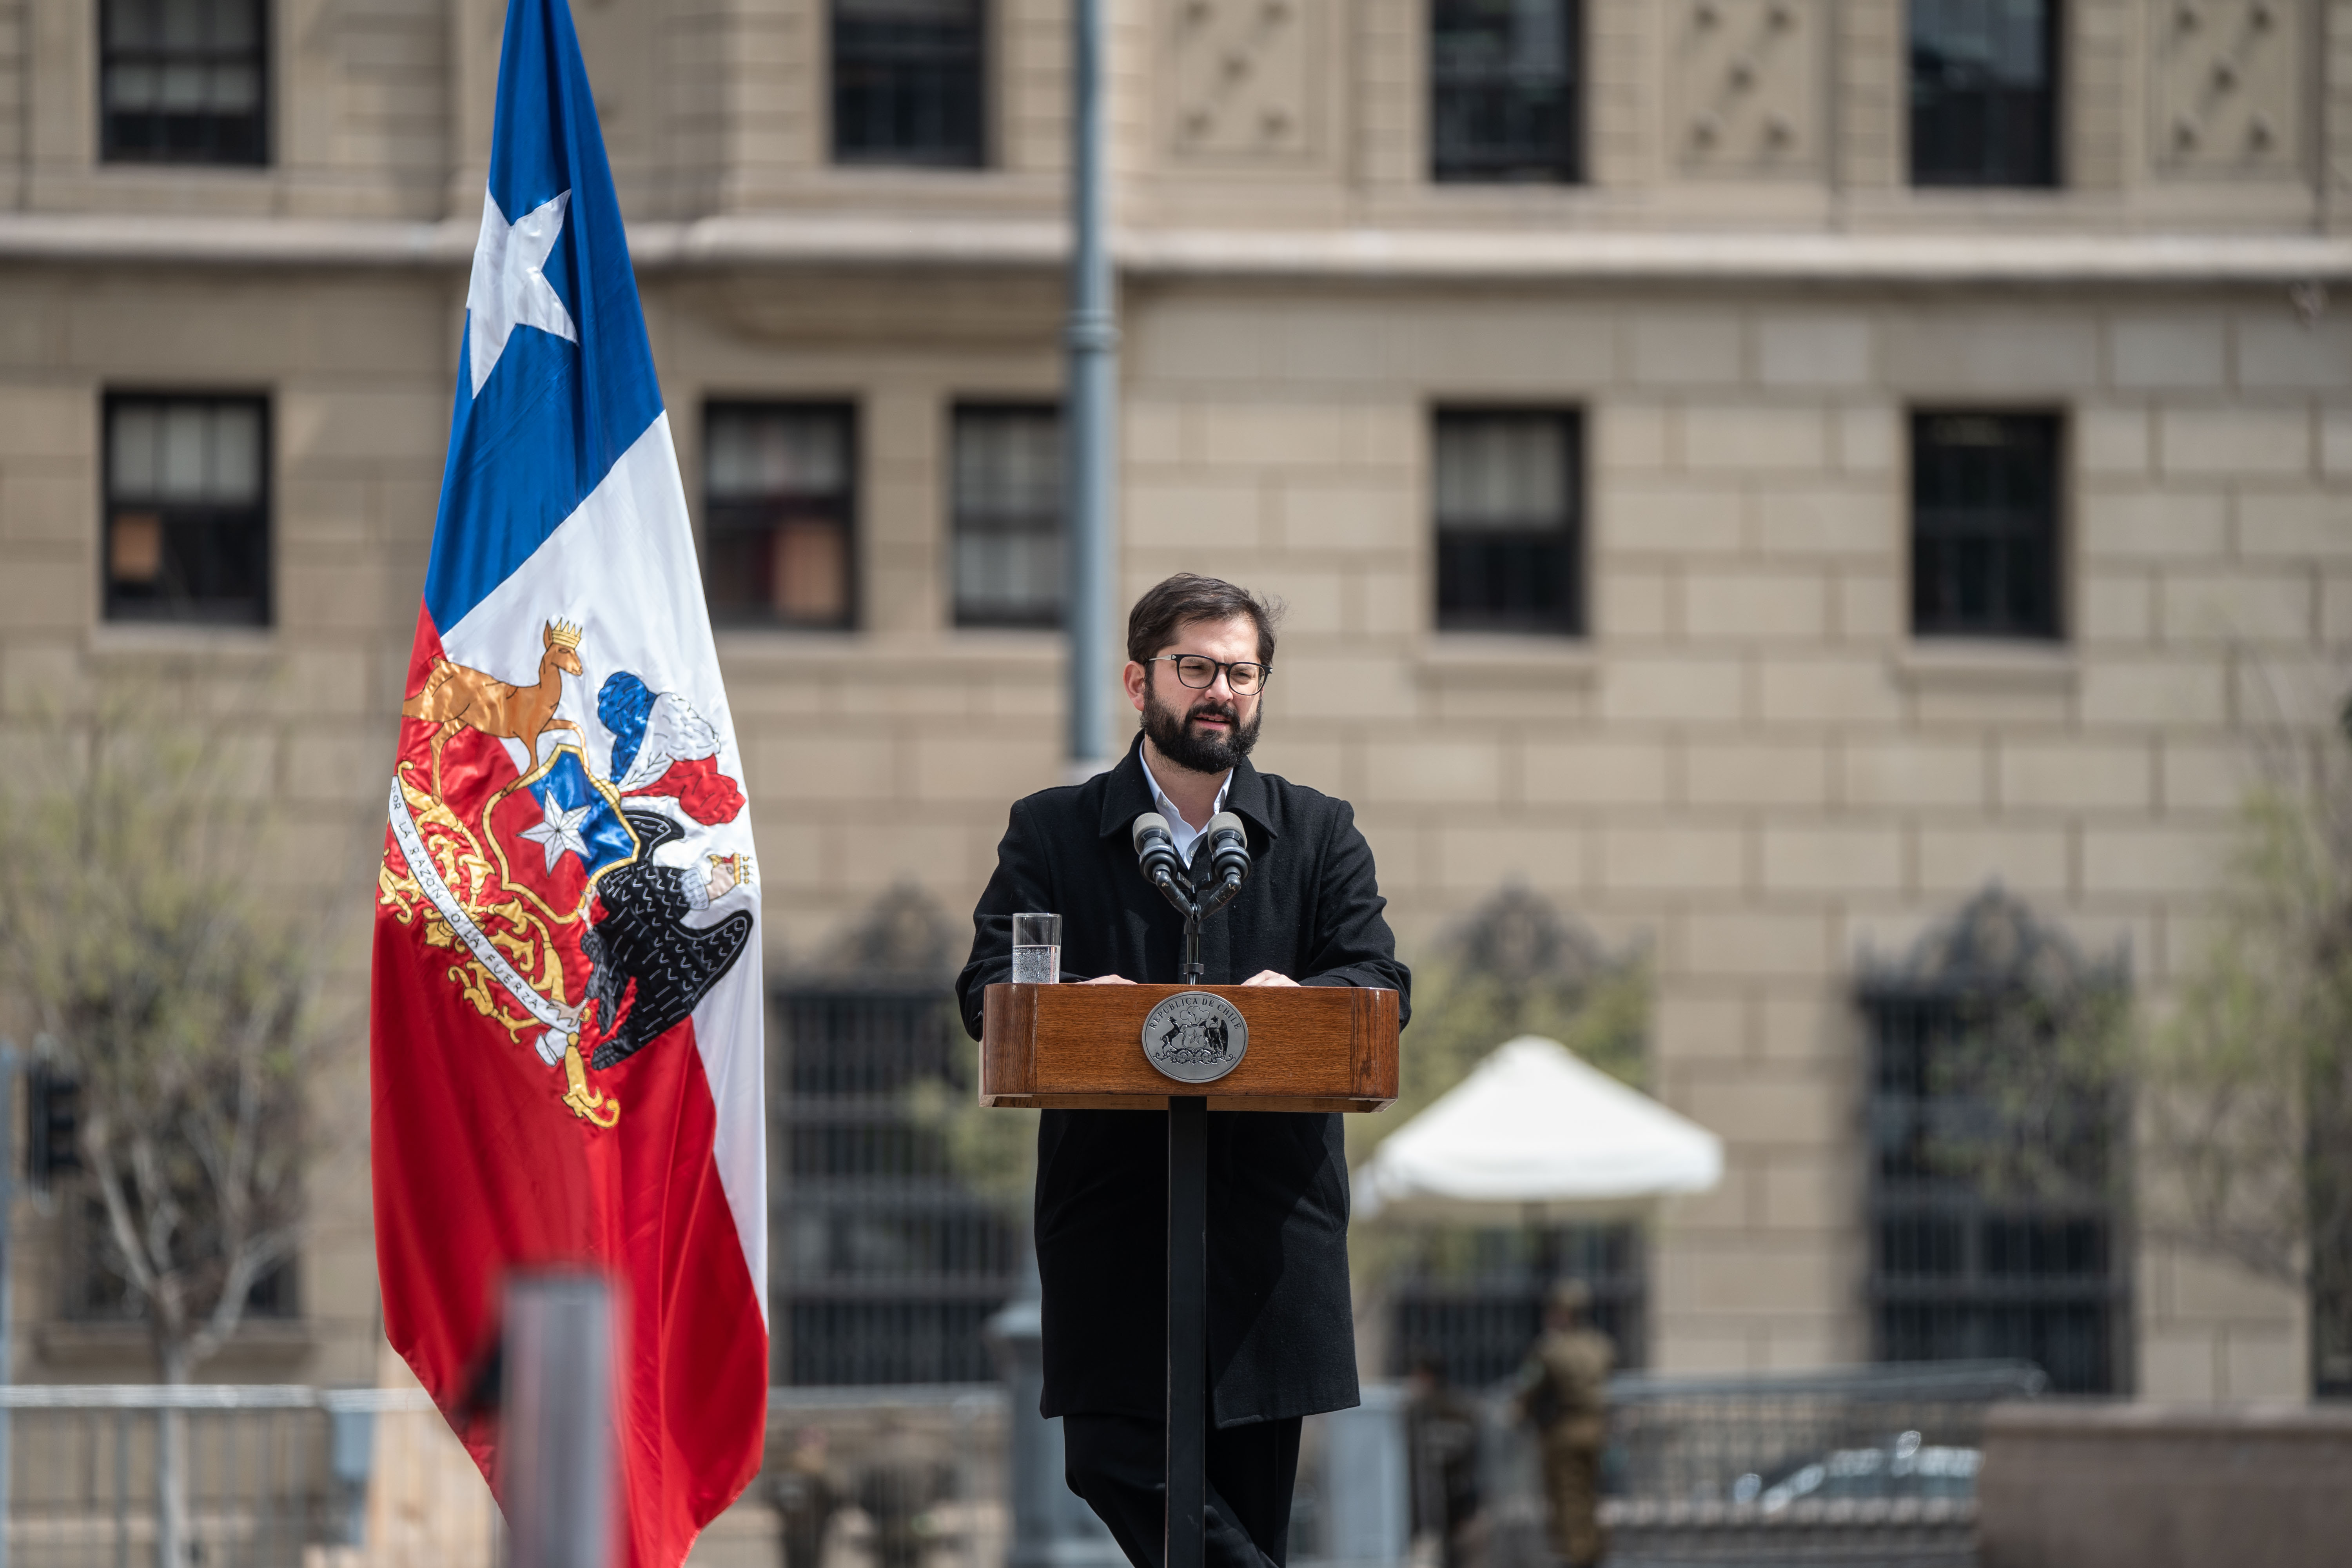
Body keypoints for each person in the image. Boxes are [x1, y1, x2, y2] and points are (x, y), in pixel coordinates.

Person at [955, 573, 1410, 1568]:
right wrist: (1085, 998)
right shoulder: (1053, 829)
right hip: (1115, 1225)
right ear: (1138, 680)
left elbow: (1379, 981)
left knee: (1247, 1501)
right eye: (1195, 667)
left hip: (1266, 1241)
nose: (1220, 691)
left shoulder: (1319, 829)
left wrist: (1304, 998)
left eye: (1241, 673)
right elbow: (988, 982)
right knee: (1113, 1460)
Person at [1513, 1280, 1614, 1568]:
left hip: (1564, 1431)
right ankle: (1593, 1552)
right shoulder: (1600, 1345)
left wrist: (1519, 1413)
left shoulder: (1550, 1349)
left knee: (1568, 1499)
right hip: (1596, 1428)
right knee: (1589, 1495)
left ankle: (1579, 1557)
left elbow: (1530, 1386)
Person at [1403, 1353, 1483, 1568]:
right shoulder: (1423, 1407)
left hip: (1444, 1494)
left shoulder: (1434, 1408)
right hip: (1443, 1494)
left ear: (1427, 1377)